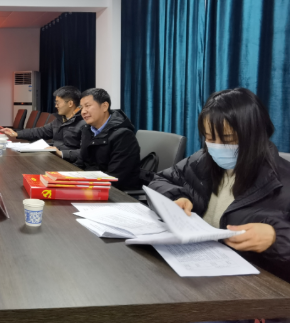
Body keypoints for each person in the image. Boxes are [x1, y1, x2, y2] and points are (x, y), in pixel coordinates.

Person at [149, 88, 290, 283]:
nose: (216, 146)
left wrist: (277, 237)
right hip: (194, 267)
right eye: (209, 137)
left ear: (255, 135)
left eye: (228, 139)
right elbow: (160, 180)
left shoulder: (282, 182)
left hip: (250, 285)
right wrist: (177, 197)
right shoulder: (202, 160)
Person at [77, 88, 142, 190]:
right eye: (81, 107)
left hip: (117, 192)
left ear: (104, 106)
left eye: (87, 106)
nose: (83, 111)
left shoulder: (123, 135)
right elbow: (81, 163)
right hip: (92, 184)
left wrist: (82, 185)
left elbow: (115, 178)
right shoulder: (87, 130)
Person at [0, 86, 86, 161]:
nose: (56, 106)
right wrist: (17, 133)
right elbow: (41, 131)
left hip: (71, 164)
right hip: (55, 158)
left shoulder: (84, 123)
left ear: (70, 103)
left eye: (58, 102)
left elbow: (85, 152)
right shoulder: (59, 120)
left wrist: (61, 153)